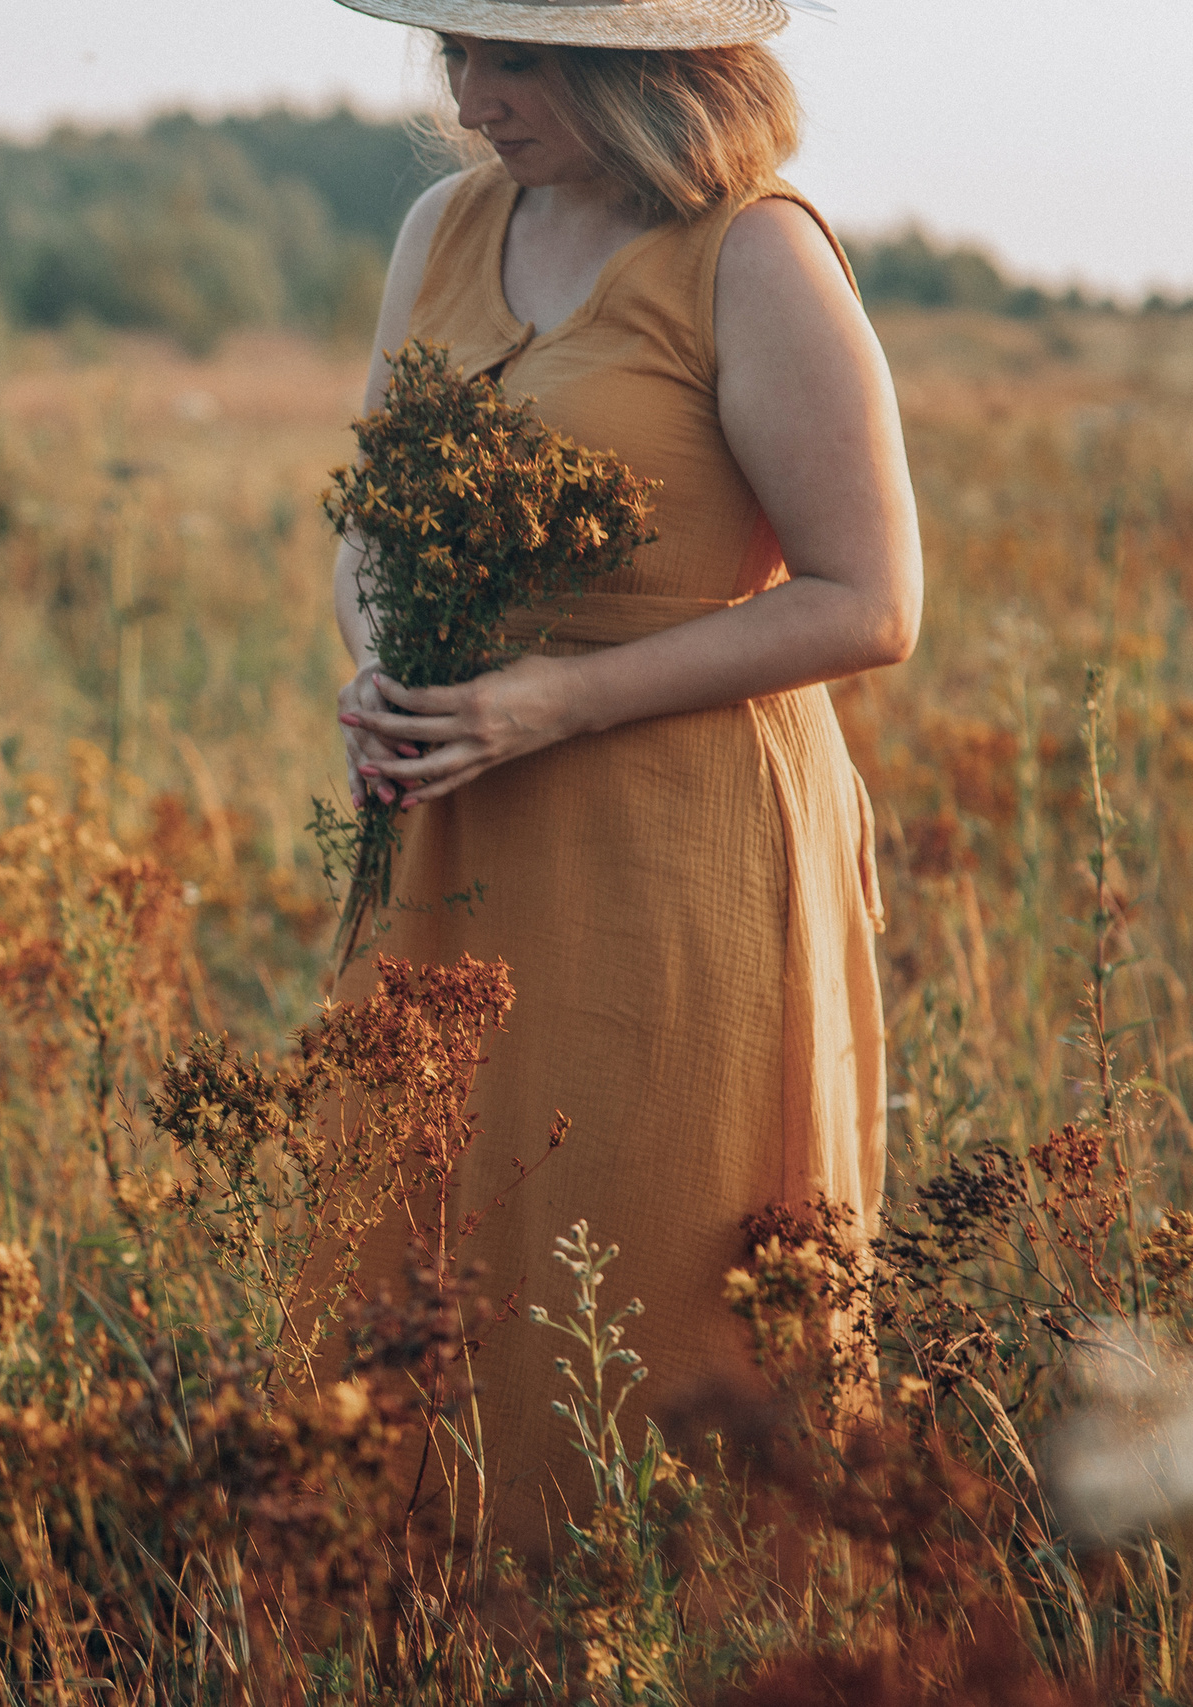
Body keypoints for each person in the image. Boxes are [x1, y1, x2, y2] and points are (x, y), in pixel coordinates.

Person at [301, 0, 919, 1544]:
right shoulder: (446, 229)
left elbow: (870, 600)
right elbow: (371, 521)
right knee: (436, 1247)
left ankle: (679, 1627)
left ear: (641, 68)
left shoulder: (752, 253)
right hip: (459, 822)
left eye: (515, 59)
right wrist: (380, 658)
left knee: (654, 1260)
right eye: (458, 52)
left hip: (678, 845)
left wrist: (557, 701)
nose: (471, 95)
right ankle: (443, 1625)